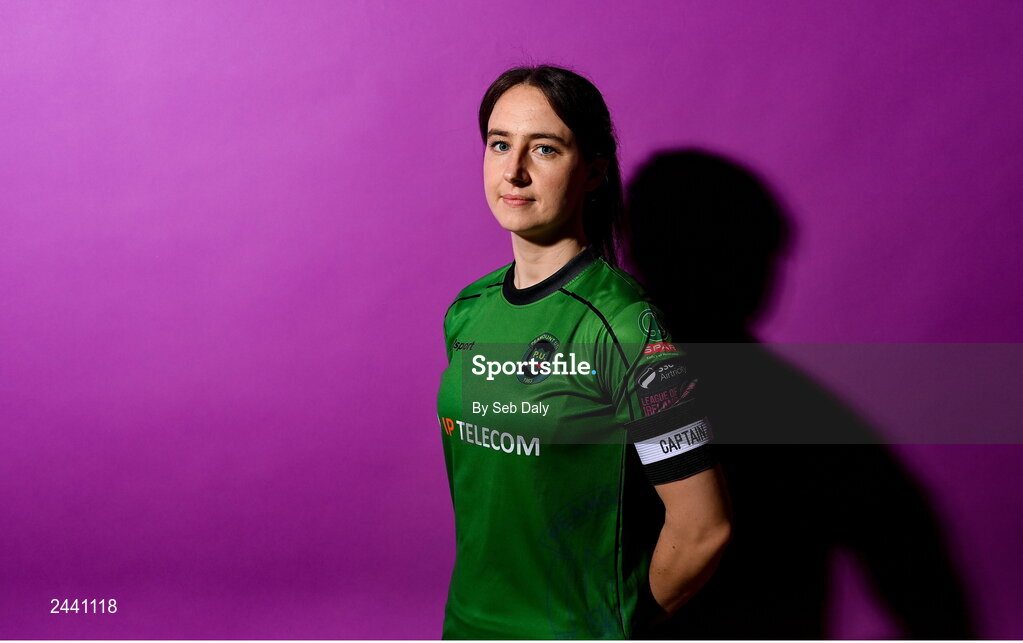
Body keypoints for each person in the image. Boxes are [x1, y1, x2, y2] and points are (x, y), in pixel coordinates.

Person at [436, 65, 732, 639]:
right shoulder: (467, 310)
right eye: (500, 144)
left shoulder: (625, 326)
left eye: (544, 149)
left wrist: (611, 625)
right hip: (466, 627)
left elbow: (704, 528)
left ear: (593, 171)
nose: (514, 171)